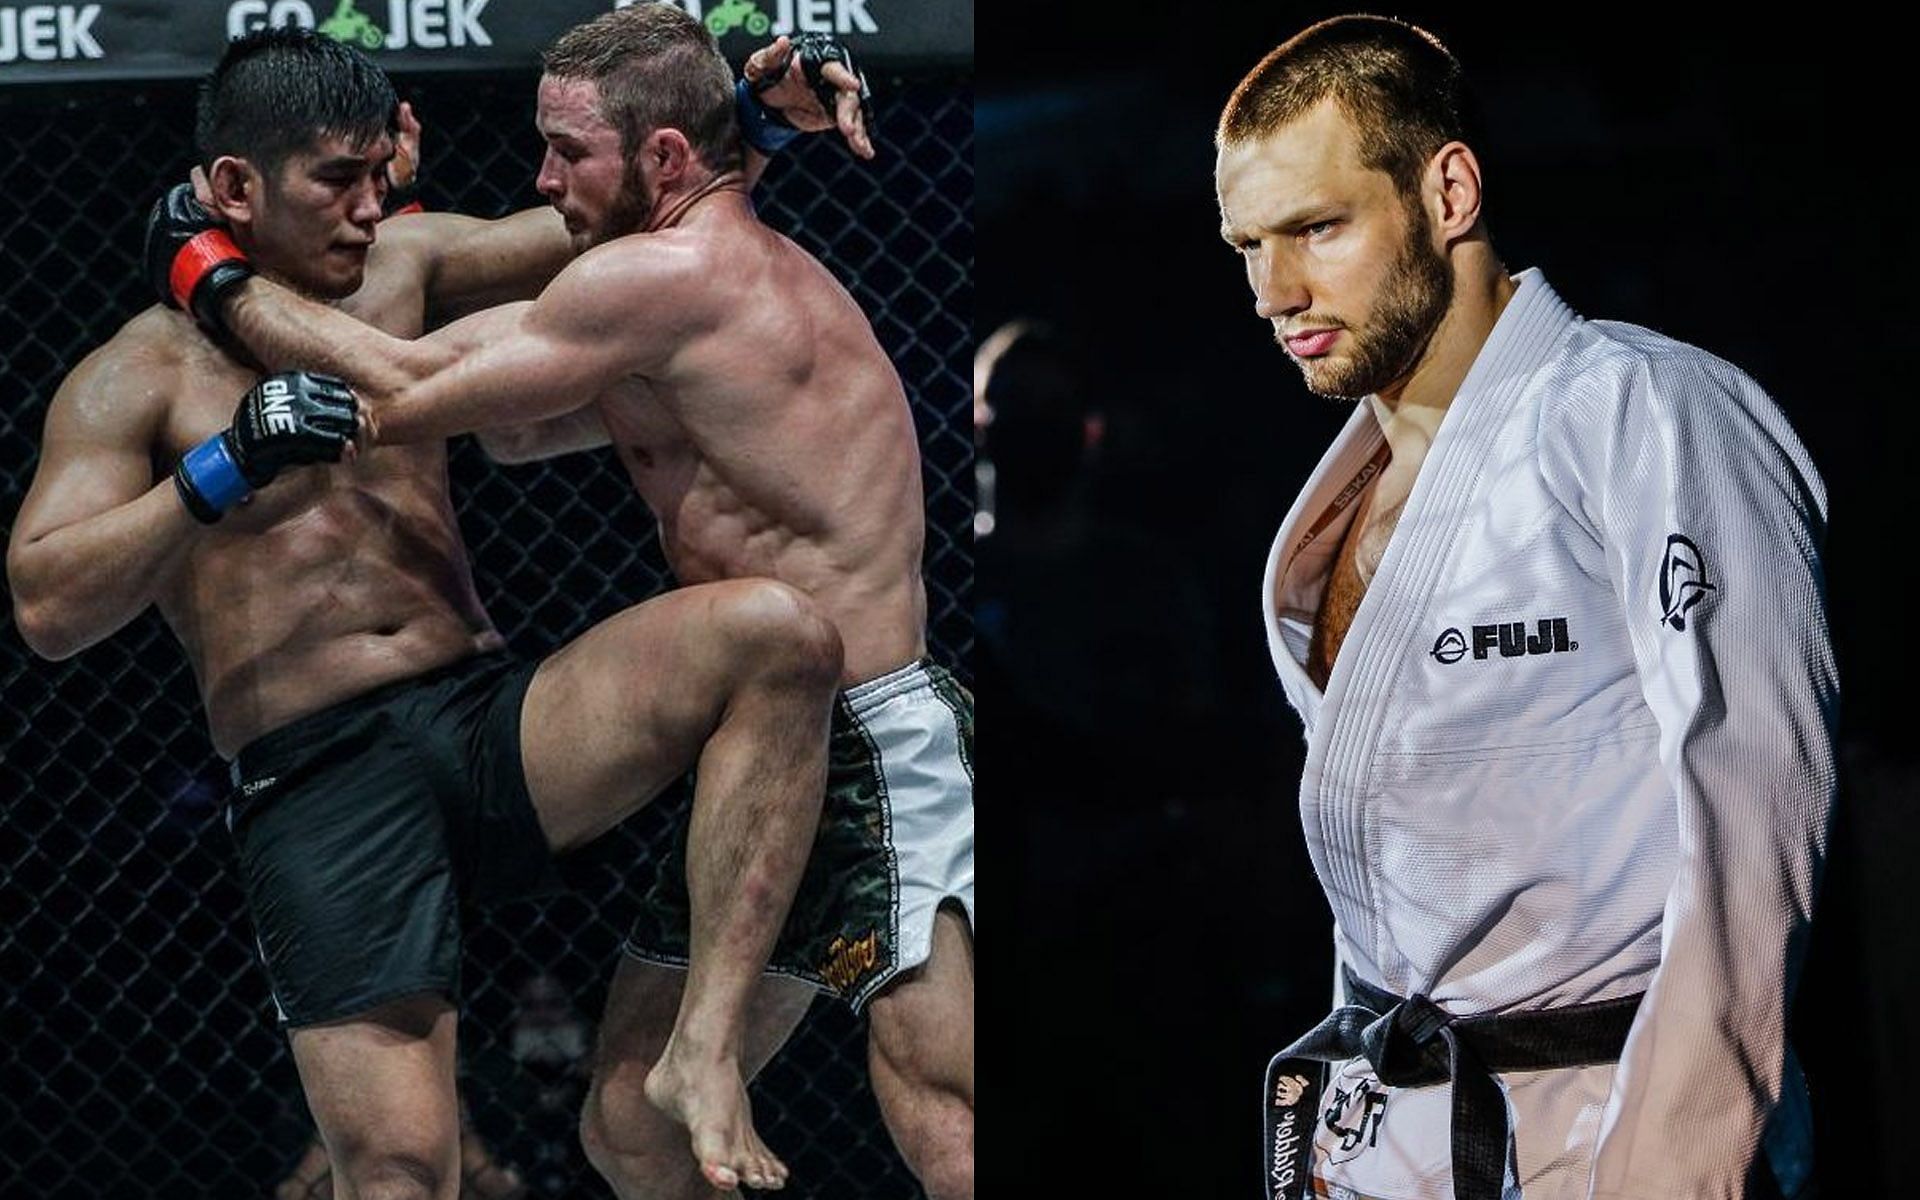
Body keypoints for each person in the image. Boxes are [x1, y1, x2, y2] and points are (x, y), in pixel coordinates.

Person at [9, 26, 866, 1200]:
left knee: (775, 633)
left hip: (484, 722)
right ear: (233, 189)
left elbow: (608, 223)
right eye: (336, 181)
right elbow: (47, 602)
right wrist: (219, 471)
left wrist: (748, 126)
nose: (370, 209)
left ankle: (703, 1051)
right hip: (315, 773)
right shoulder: (135, 377)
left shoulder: (406, 269)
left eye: (379, 174)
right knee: (405, 1171)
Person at [1211, 16, 1835, 1200]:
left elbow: (1758, 828)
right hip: (1394, 1132)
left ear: (1447, 191)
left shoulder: (1646, 412)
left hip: (1604, 1125)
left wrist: (1669, 1170)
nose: (1272, 291)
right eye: (1247, 244)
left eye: (1317, 228)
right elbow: (1399, 879)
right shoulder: (1340, 509)